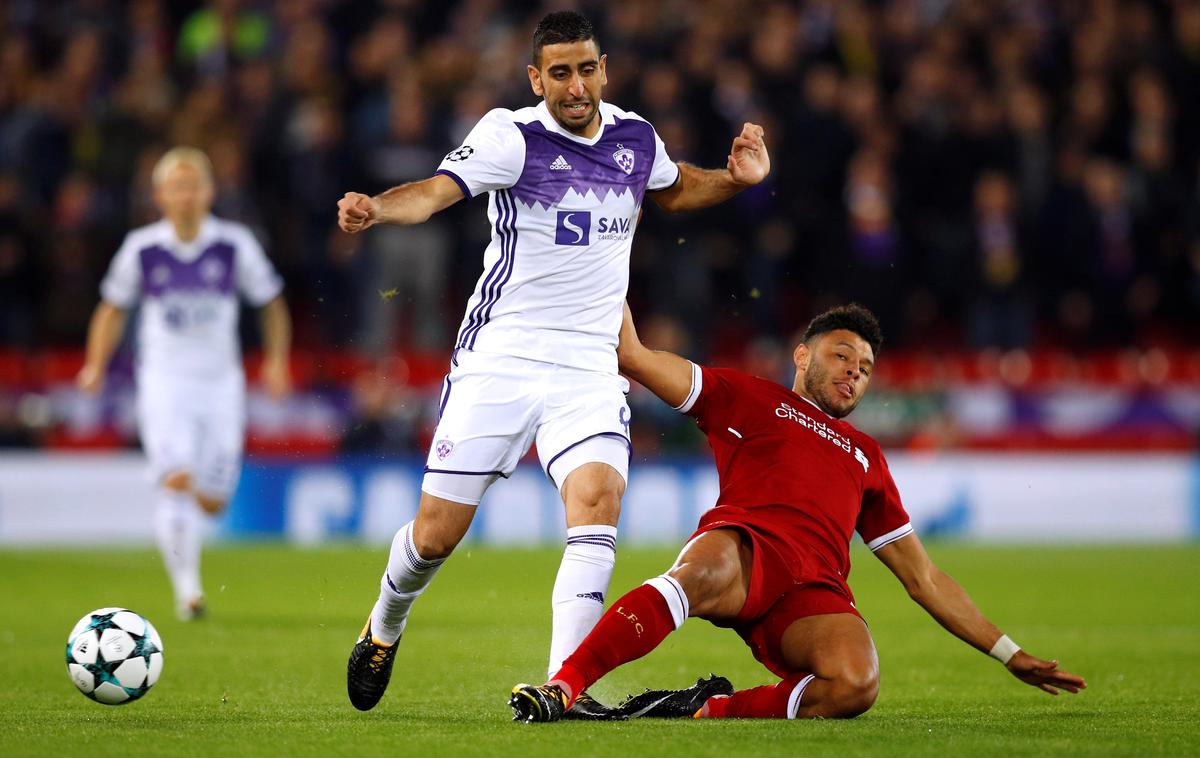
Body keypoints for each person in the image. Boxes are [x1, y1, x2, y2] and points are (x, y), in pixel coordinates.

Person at [336, 10, 770, 716]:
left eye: (587, 69)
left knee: (597, 505)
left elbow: (675, 188)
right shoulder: (512, 136)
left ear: (604, 70)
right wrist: (376, 210)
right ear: (538, 79)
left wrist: (734, 178)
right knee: (435, 535)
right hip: (501, 357)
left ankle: (563, 685)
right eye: (560, 72)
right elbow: (436, 192)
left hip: (589, 364)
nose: (576, 85)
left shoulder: (635, 137)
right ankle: (386, 620)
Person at [509, 303, 1085, 722]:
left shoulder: (866, 457)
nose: (855, 370)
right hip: (747, 551)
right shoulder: (749, 397)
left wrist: (1008, 653)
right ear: (803, 355)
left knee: (856, 684)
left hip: (815, 593)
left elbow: (924, 578)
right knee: (700, 572)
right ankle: (564, 687)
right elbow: (633, 356)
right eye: (842, 354)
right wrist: (602, 262)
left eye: (864, 366)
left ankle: (699, 711)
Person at [78, 146, 292, 622]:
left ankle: (197, 521)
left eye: (194, 185)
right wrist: (95, 364)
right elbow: (112, 308)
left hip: (221, 385)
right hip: (164, 382)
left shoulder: (234, 244)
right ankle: (188, 593)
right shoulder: (141, 248)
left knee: (214, 499)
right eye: (176, 186)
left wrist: (277, 362)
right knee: (174, 479)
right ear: (159, 195)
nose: (186, 195)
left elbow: (272, 303)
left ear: (210, 192)